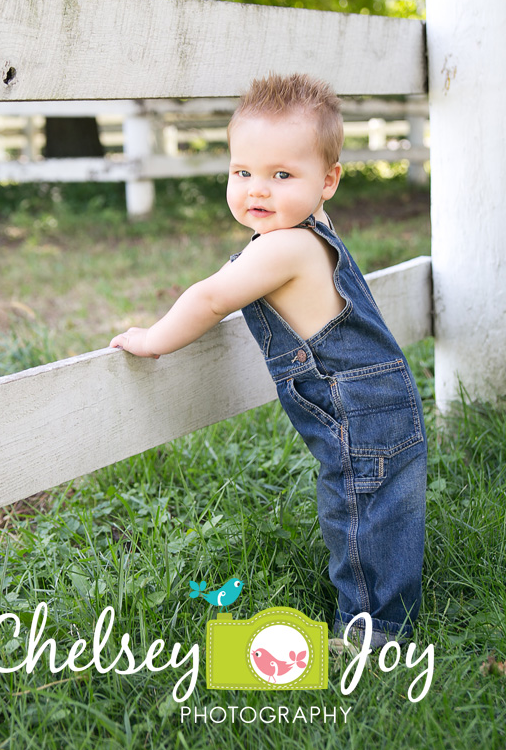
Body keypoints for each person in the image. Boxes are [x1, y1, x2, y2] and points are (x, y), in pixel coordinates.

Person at [110, 72, 427, 648]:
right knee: (384, 514)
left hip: (356, 410)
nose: (257, 189)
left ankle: (374, 635)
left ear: (328, 180)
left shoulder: (284, 246)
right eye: (242, 172)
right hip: (381, 399)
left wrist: (154, 339)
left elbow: (210, 297)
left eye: (282, 175)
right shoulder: (314, 229)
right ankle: (392, 618)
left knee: (358, 517)